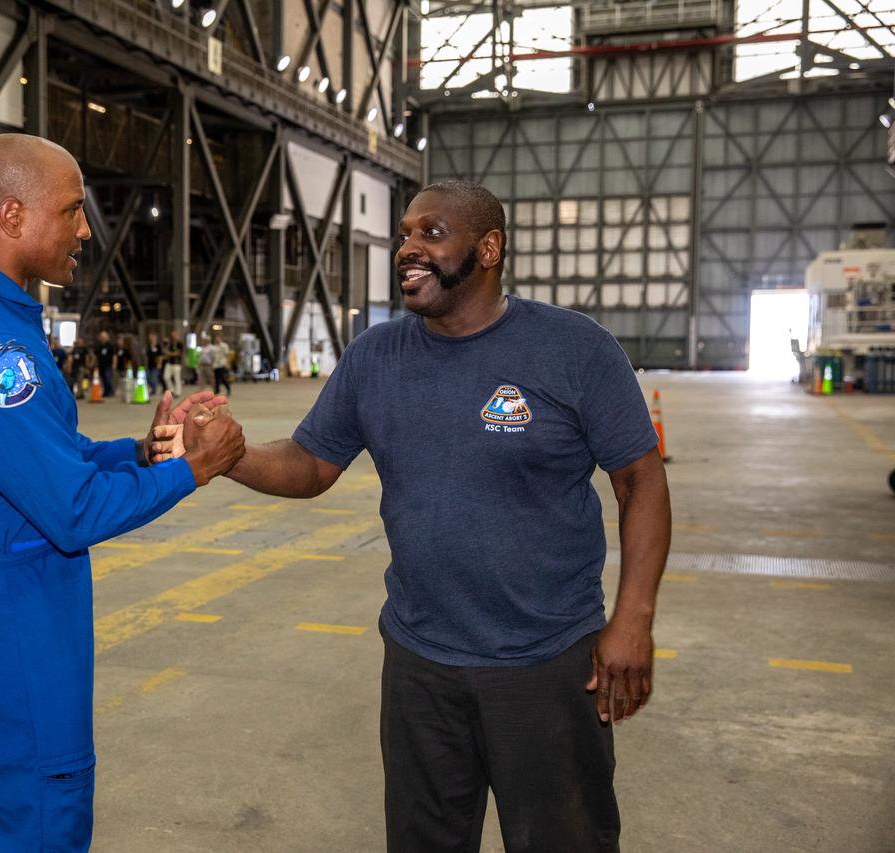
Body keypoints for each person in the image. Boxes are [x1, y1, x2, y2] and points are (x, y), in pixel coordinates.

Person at [225, 180, 671, 853]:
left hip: (548, 662)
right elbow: (309, 464)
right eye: (406, 233)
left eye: (431, 233)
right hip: (420, 664)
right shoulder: (377, 357)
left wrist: (633, 617)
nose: (409, 247)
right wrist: (229, 454)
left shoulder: (575, 350)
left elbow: (642, 482)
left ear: (488, 248)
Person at [0, 133, 246, 853]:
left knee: (0, 815)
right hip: (11, 614)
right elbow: (70, 509)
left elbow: (36, 463)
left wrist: (139, 453)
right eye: (71, 211)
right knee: (42, 818)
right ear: (13, 217)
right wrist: (191, 469)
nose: (85, 230)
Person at [95, 330, 116, 399]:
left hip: (108, 365)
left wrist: (114, 364)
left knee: (108, 378)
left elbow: (114, 355)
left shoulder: (110, 346)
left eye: (104, 336)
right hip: (101, 365)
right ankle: (106, 391)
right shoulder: (99, 346)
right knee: (103, 379)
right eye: (102, 336)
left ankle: (110, 391)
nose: (103, 338)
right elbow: (96, 356)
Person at [163, 331, 184, 397]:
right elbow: (165, 351)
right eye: (172, 336)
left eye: (175, 336)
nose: (173, 337)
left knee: (176, 378)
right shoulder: (170, 344)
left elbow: (177, 353)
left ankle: (177, 392)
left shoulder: (180, 344)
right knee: (166, 377)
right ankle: (171, 390)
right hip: (169, 363)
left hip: (176, 364)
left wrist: (169, 354)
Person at [145, 332, 165, 397]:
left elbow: (160, 356)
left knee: (153, 378)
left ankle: (154, 390)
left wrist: (159, 363)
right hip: (149, 365)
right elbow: (147, 356)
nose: (150, 339)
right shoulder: (148, 346)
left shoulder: (158, 346)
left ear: (155, 338)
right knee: (147, 378)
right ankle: (153, 389)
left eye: (152, 337)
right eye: (149, 337)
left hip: (156, 365)